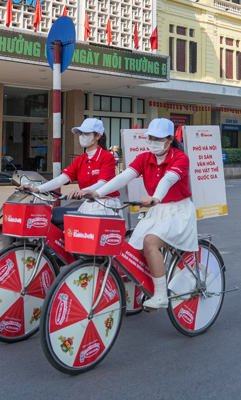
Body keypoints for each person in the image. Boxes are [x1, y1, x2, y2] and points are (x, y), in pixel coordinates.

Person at [78, 118, 195, 310]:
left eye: (158, 138)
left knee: (150, 242)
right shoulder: (144, 158)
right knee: (131, 251)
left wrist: (155, 197)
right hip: (156, 211)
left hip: (178, 211)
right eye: (150, 137)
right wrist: (97, 193)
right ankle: (141, 287)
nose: (153, 142)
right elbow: (124, 177)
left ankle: (160, 295)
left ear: (170, 139)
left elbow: (168, 179)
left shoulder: (180, 158)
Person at [28, 118, 121, 216]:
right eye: (80, 134)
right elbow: (60, 179)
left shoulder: (107, 157)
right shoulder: (79, 160)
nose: (82, 137)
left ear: (97, 136)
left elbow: (103, 183)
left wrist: (83, 191)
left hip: (106, 204)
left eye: (86, 134)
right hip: (88, 203)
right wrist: (36, 189)